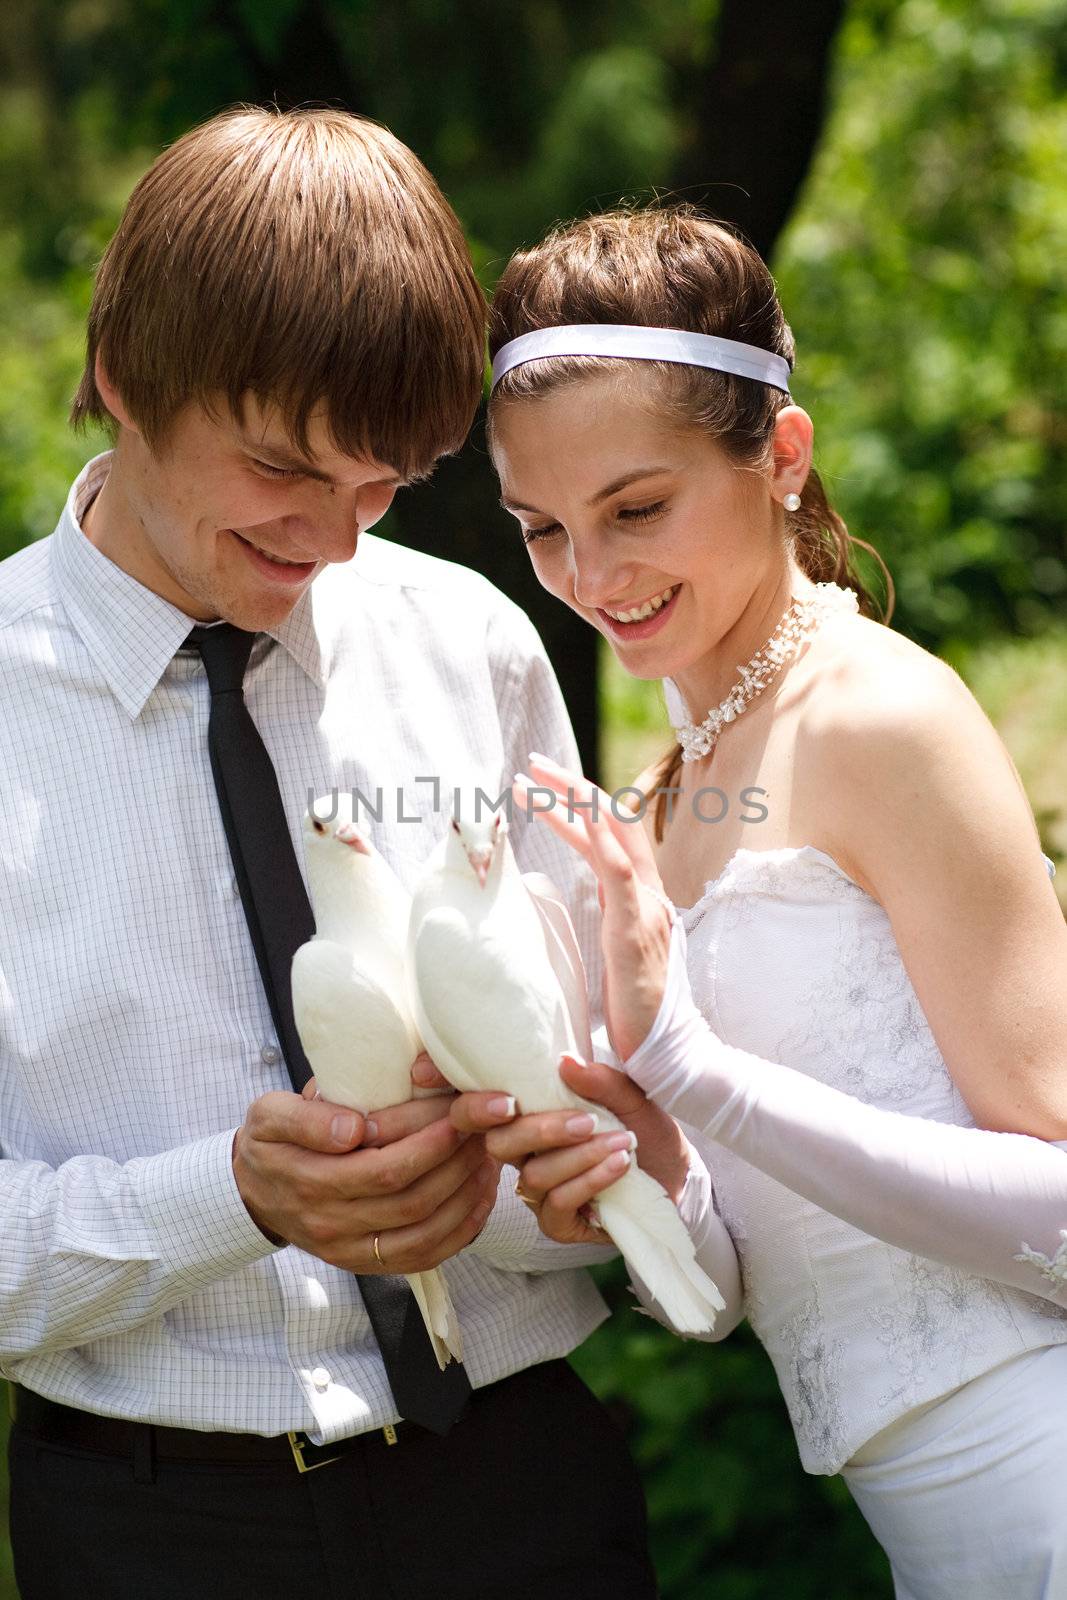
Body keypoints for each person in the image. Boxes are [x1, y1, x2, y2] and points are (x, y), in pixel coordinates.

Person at [0, 110, 662, 1600]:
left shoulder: (477, 647)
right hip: (153, 1529)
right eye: (284, 470)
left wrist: (569, 1183)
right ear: (123, 375)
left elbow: (602, 1100)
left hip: (526, 1491)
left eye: (386, 485)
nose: (336, 544)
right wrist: (226, 1197)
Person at [444, 206, 1067, 1598]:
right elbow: (726, 1297)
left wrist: (696, 1074)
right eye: (541, 529)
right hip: (925, 1536)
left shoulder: (883, 718)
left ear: (781, 456)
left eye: (637, 508)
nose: (592, 579)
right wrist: (647, 1170)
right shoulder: (661, 810)